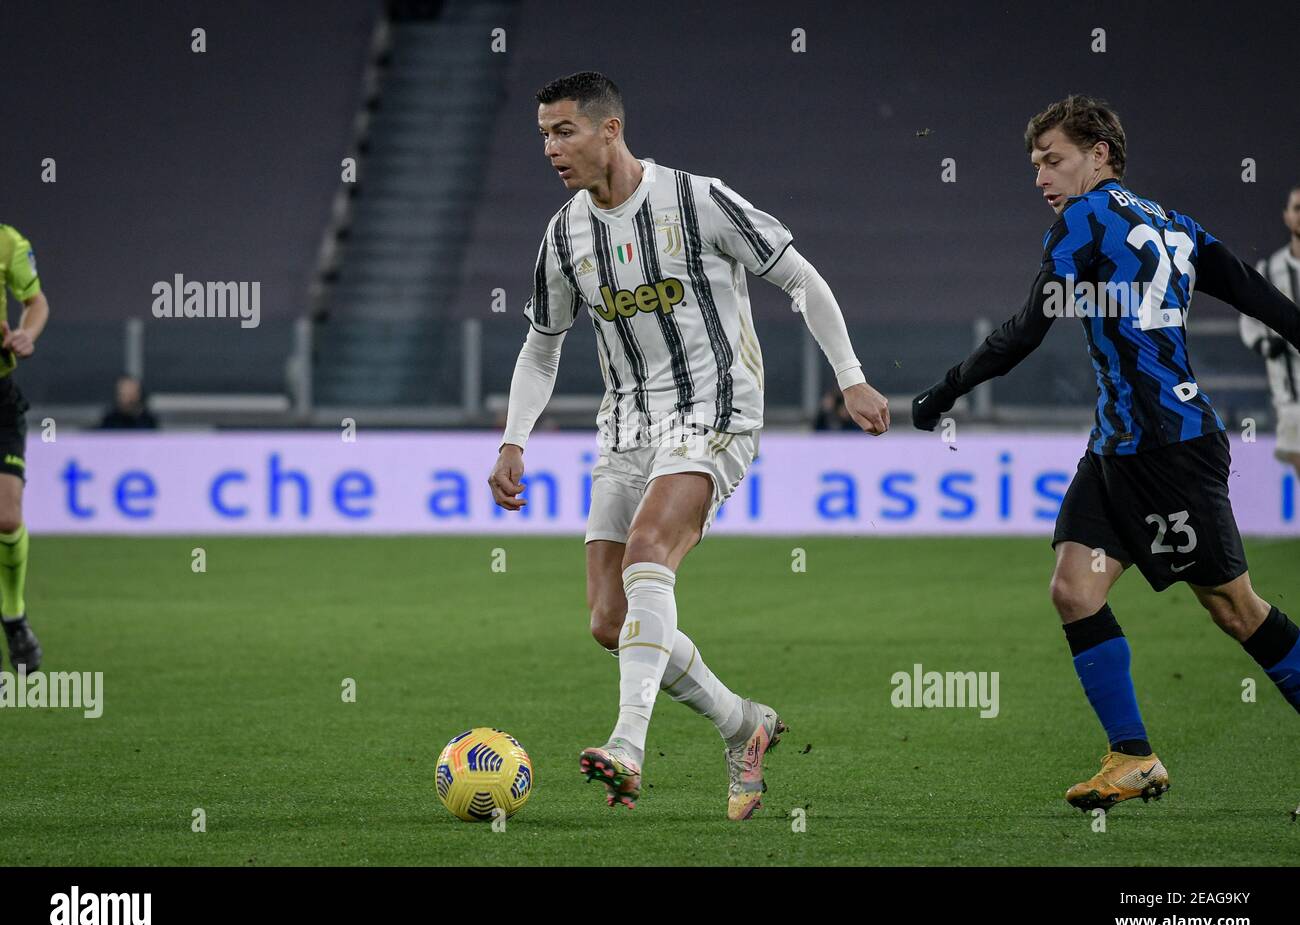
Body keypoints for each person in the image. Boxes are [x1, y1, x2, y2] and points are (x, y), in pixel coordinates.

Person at [487, 71, 889, 819]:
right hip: (625, 427)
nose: (550, 148)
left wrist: (853, 377)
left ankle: (627, 748)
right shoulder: (564, 233)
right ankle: (744, 724)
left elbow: (800, 278)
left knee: (648, 553)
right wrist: (514, 441)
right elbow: (542, 347)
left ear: (610, 129)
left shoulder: (698, 200)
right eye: (543, 134)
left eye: (563, 131)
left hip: (715, 411)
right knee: (610, 623)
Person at [911, 96, 1300, 813]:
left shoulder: (1084, 223)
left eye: (1052, 160)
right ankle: (1133, 757)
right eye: (1034, 164)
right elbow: (1257, 296)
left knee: (1236, 609)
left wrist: (942, 392)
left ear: (1100, 154)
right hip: (1119, 449)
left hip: (1170, 450)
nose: (1041, 177)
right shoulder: (1176, 225)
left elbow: (1026, 331)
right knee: (1073, 589)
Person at [0, 224, 49, 674]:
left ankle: (13, 617)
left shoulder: (8, 242)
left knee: (7, 516)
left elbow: (35, 302)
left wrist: (25, 334)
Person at [1239, 185, 1300, 478]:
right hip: (1290, 395)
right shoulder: (1270, 269)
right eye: (1297, 209)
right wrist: (1265, 345)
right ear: (1287, 217)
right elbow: (1249, 321)